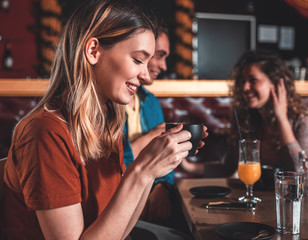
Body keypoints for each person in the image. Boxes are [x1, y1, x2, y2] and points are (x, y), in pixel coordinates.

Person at [0, 1, 199, 239]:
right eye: (138, 60)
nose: (146, 76)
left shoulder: (107, 124)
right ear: (93, 51)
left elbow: (120, 231)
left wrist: (150, 170)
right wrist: (141, 173)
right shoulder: (45, 132)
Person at [181, 49, 308, 177]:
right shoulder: (245, 118)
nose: (245, 87)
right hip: (254, 195)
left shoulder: (303, 117)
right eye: (243, 81)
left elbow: (304, 173)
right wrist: (188, 166)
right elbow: (227, 168)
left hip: (288, 197)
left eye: (253, 80)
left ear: (276, 83)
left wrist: (282, 119)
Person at [122, 24, 172, 222]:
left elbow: (165, 156)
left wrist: (163, 186)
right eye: (158, 56)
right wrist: (153, 137)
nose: (164, 66)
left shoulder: (150, 101)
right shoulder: (108, 101)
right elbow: (111, 167)